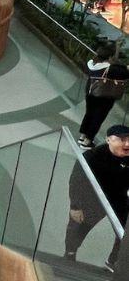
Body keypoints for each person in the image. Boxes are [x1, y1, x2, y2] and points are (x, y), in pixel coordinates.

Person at [64, 124, 129, 273]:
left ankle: (113, 262)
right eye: (122, 139)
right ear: (108, 140)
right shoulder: (92, 156)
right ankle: (70, 253)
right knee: (79, 227)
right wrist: (75, 206)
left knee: (125, 232)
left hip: (118, 198)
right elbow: (76, 180)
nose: (127, 144)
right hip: (93, 198)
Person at [78, 46, 129, 148]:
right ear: (109, 57)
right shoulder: (110, 69)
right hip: (104, 97)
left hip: (90, 93)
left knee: (89, 114)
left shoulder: (91, 63)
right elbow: (125, 73)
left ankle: (82, 136)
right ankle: (87, 141)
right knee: (98, 118)